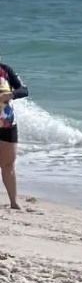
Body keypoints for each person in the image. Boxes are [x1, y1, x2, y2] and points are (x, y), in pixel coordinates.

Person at [0, 51, 28, 211]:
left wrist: (10, 94)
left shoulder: (6, 70)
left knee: (8, 164)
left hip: (7, 124)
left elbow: (24, 90)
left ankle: (13, 202)